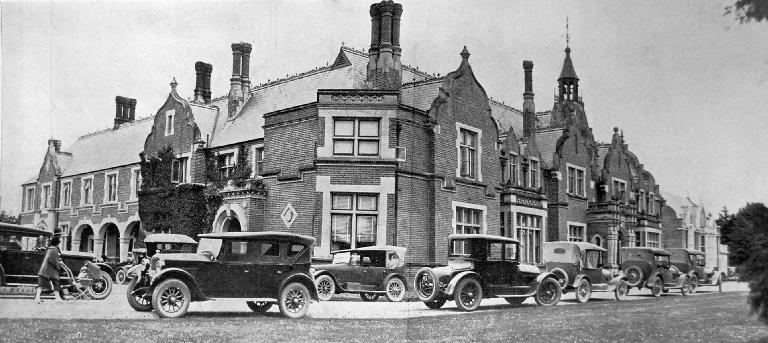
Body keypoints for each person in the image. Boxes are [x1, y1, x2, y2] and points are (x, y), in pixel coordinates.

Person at [34, 236, 66, 303]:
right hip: (50, 270)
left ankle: (37, 298)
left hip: (44, 269)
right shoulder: (54, 249)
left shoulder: (50, 249)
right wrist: (58, 265)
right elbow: (52, 260)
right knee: (56, 283)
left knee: (41, 285)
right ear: (57, 243)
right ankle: (57, 298)